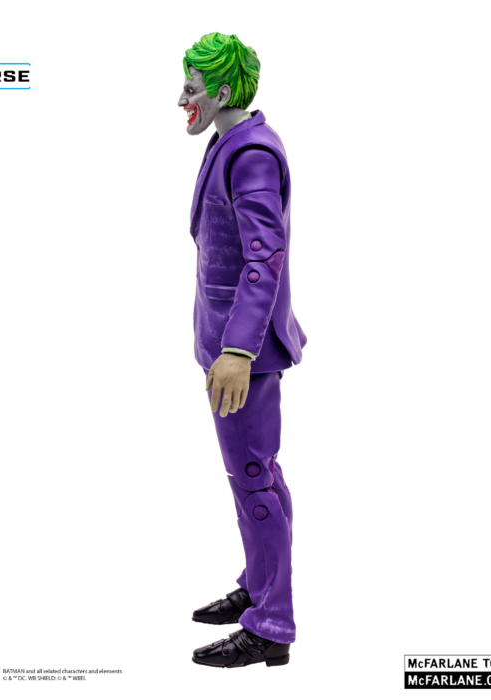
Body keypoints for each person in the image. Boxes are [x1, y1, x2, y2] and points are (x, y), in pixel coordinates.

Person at [179, 32, 307, 668]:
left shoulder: (251, 152)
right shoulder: (228, 140)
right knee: (257, 477)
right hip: (228, 344)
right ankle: (259, 586)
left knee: (254, 480)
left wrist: (236, 351)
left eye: (193, 86)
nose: (182, 98)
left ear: (223, 90)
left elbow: (264, 260)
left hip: (244, 353)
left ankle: (271, 625)